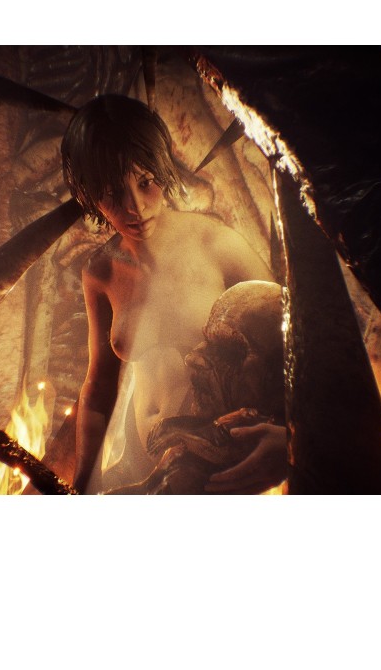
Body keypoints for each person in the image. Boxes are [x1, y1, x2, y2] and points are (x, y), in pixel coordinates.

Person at [61, 94, 282, 493]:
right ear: (90, 194)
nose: (135, 207)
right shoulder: (100, 271)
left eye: (146, 182)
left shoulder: (217, 244)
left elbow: (292, 350)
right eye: (112, 192)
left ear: (163, 169)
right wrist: (79, 487)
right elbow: (98, 389)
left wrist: (288, 437)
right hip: (140, 465)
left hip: (222, 467)